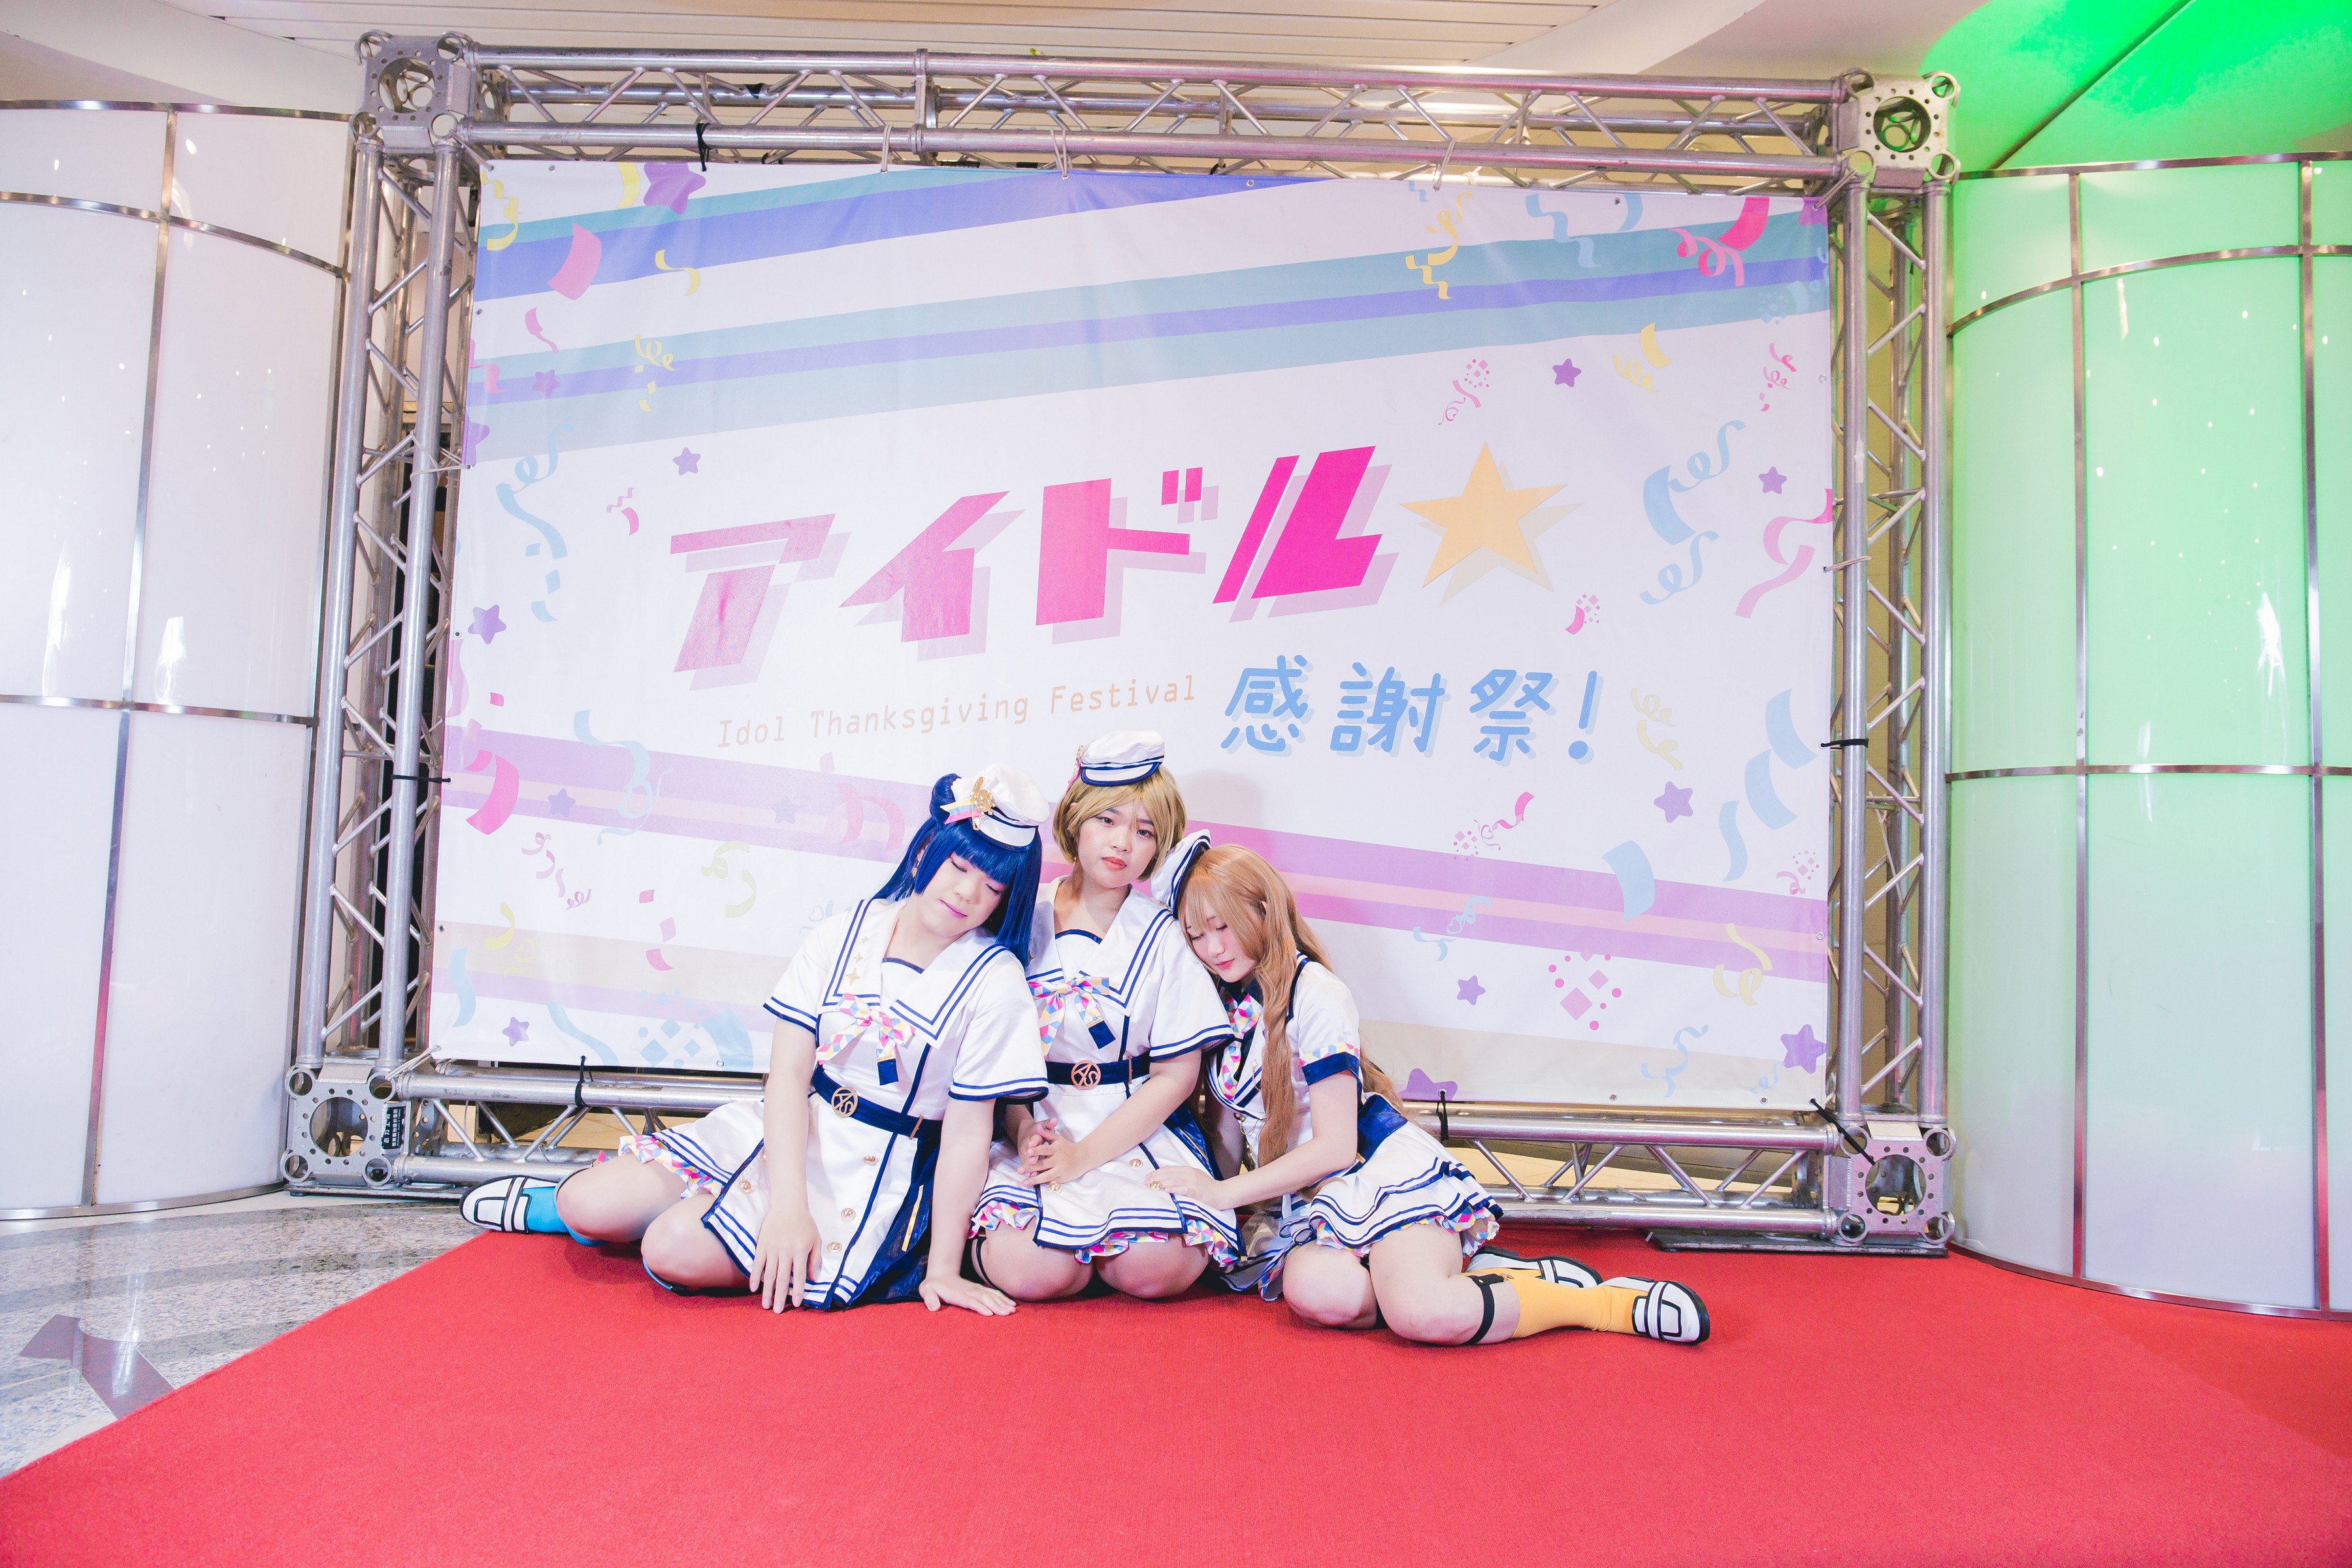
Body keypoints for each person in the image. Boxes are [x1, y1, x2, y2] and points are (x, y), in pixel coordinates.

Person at [458, 764, 1053, 1316]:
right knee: (587, 1205)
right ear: (926, 851)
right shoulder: (845, 932)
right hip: (795, 1123)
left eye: (993, 886)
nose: (968, 893)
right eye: (959, 867)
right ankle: (579, 1215)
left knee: (670, 1248)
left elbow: (968, 1134)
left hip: (881, 1170)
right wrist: (788, 1207)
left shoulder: (995, 980)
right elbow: (789, 1076)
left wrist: (943, 1269)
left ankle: (682, 1220)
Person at [1149, 845, 1710, 1347]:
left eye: (1222, 926)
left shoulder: (1315, 993)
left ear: (1263, 910)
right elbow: (1229, 1131)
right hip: (1309, 1205)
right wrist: (1206, 1201)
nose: (1213, 948)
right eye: (1196, 936)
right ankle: (1484, 1277)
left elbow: (1336, 1148)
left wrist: (1223, 1193)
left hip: (1375, 1177)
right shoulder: (1224, 1005)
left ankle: (1603, 1304)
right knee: (1324, 1294)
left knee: (1422, 1314)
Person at [968, 732, 1238, 1301]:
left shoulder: (1165, 934)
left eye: (1145, 832)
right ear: (1076, 819)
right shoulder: (1022, 914)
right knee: (1031, 1271)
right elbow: (991, 1051)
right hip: (1040, 1120)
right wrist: (1022, 1129)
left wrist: (1084, 1157)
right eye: (1107, 820)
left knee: (1156, 1268)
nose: (1122, 843)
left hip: (1134, 1126)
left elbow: (1176, 1077)